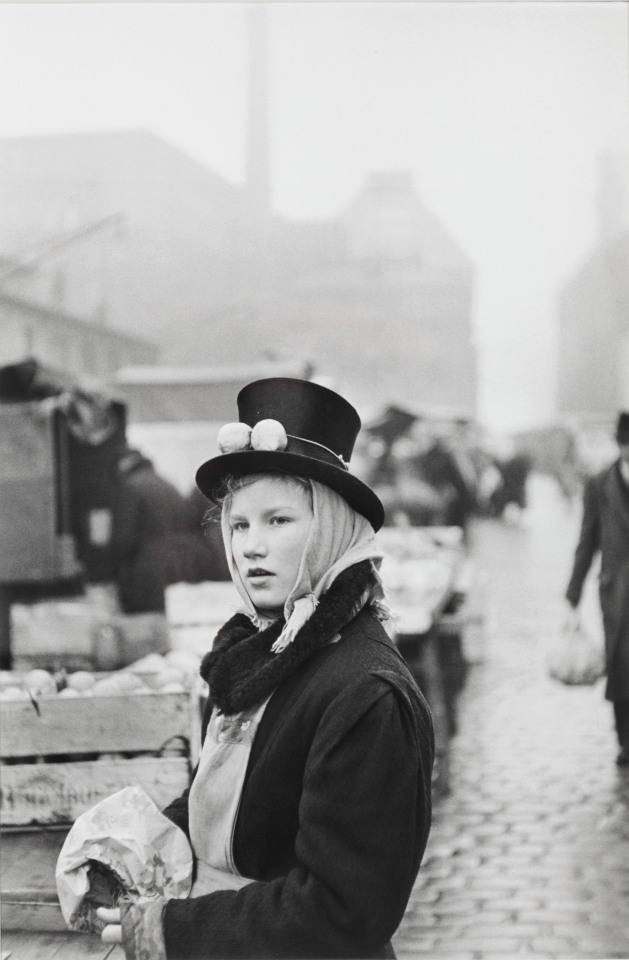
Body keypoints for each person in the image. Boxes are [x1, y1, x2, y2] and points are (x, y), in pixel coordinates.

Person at [97, 377, 435, 959]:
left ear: (332, 526)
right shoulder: (257, 655)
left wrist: (173, 930)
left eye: (278, 521)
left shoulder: (365, 694)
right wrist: (150, 838)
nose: (251, 546)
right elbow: (244, 803)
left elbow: (341, 911)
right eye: (238, 525)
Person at [565, 411, 629, 766]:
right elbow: (586, 542)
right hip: (617, 594)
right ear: (620, 446)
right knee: (622, 667)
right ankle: (625, 739)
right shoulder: (599, 485)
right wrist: (572, 595)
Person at [110, 447, 190, 613]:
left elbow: (124, 539)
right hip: (176, 571)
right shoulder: (169, 485)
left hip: (142, 576)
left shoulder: (131, 487)